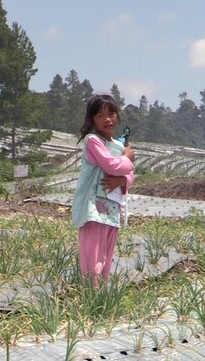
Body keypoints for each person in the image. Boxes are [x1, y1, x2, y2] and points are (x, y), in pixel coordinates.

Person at [71, 94, 135, 288]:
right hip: (92, 210)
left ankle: (100, 298)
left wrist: (122, 180)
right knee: (92, 257)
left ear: (117, 116)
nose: (108, 119)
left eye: (112, 114)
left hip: (111, 210)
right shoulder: (93, 141)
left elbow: (129, 175)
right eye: (101, 115)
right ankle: (90, 296)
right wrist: (128, 158)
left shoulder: (118, 146)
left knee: (106, 256)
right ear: (92, 120)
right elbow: (111, 165)